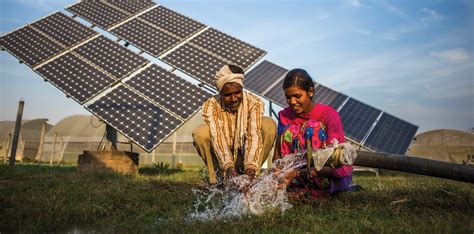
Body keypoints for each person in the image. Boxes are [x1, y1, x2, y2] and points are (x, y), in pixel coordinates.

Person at [273, 68, 356, 198]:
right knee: (290, 131)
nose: (292, 102)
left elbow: (334, 159)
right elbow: (278, 152)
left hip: (327, 174)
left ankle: (321, 190)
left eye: (297, 96)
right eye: (288, 97)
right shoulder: (284, 116)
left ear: (310, 92)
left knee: (313, 128)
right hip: (295, 176)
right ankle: (300, 187)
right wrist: (277, 173)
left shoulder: (328, 115)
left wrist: (300, 173)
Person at [193, 64, 277, 184]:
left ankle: (252, 178)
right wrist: (229, 168)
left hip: (245, 153)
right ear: (220, 94)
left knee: (268, 124)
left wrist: (250, 167)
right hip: (221, 156)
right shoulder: (212, 105)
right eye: (227, 95)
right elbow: (218, 138)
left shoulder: (254, 103)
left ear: (242, 89)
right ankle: (217, 180)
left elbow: (253, 136)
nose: (233, 99)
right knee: (200, 133)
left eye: (237, 92)